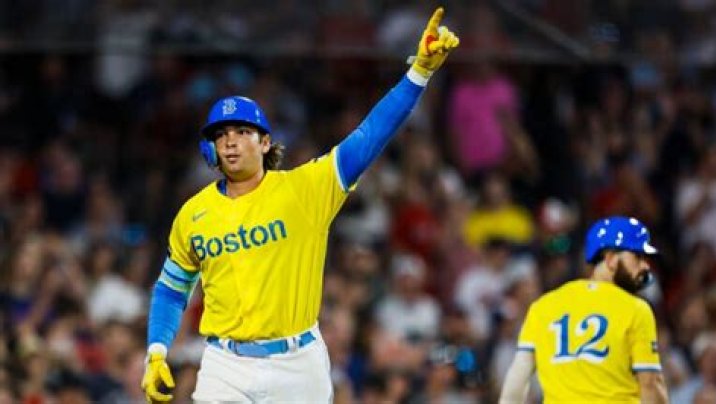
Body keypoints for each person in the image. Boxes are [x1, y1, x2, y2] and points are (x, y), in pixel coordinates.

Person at [140, 7, 459, 403]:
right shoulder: (193, 213)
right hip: (225, 363)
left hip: (297, 363)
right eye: (221, 135)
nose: (231, 141)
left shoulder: (305, 189)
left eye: (242, 131)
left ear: (265, 143)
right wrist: (156, 351)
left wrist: (419, 74)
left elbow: (370, 136)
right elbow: (171, 289)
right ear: (212, 149)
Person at [499, 216, 669, 403]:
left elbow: (518, 378)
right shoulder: (636, 309)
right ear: (611, 259)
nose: (645, 266)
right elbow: (650, 383)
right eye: (637, 257)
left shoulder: (543, 305)